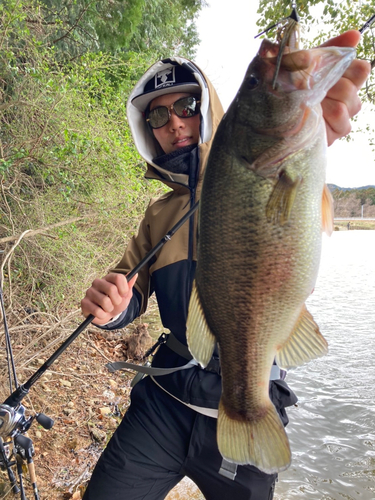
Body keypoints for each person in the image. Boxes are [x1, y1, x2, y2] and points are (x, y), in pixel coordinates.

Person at [81, 30, 370, 500]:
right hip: (165, 402)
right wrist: (111, 306)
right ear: (147, 129)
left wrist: (315, 118)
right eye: (158, 113)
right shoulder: (158, 214)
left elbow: (284, 174)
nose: (175, 121)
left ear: (208, 108)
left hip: (248, 394)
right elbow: (130, 291)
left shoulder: (249, 160)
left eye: (186, 106)